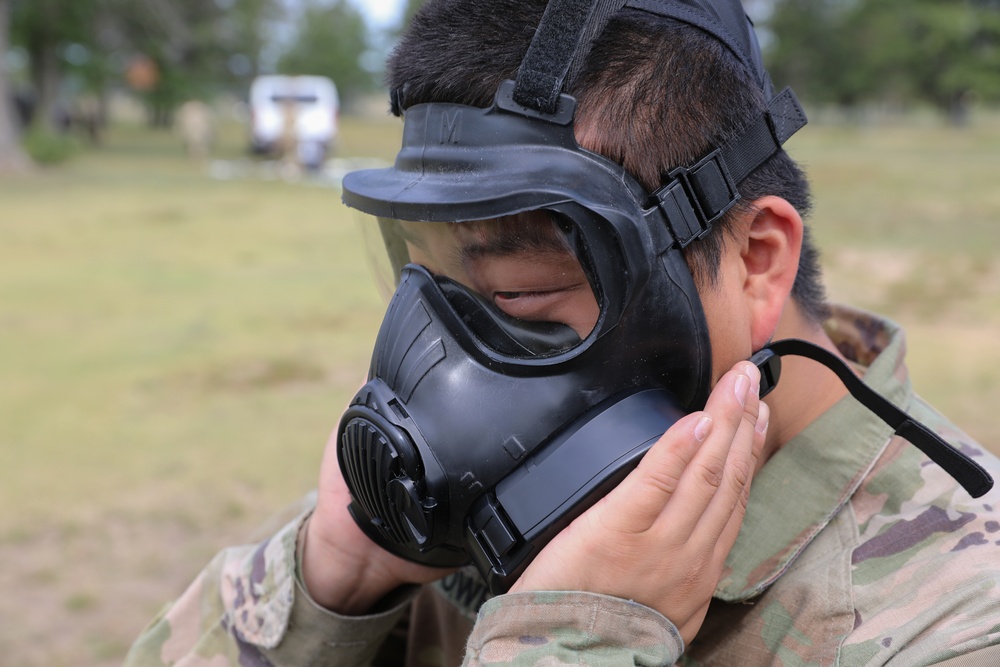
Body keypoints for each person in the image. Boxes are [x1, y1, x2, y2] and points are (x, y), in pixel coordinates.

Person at [125, 0, 1000, 665]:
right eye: (427, 277)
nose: (443, 355)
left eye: (518, 289)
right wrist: (329, 584)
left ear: (757, 260)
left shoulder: (954, 617)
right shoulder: (433, 541)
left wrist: (575, 639)